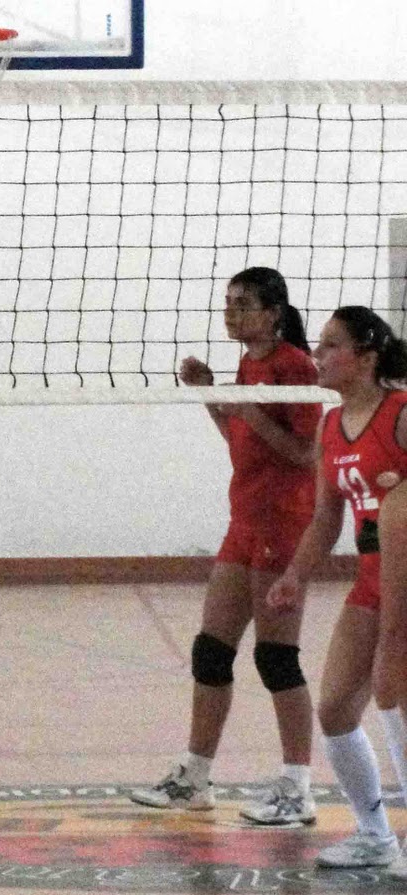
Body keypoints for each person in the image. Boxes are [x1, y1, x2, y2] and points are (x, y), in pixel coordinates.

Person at [130, 267, 321, 823]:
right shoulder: (249, 364)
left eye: (243, 304)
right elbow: (241, 440)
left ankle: (297, 787)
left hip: (283, 524)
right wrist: (212, 396)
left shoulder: (296, 366)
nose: (231, 313)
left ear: (273, 312)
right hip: (245, 521)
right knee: (211, 651)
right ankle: (195, 777)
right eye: (228, 303)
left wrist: (249, 410)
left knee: (276, 658)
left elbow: (305, 454)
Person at [268, 306, 407, 869]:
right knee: (335, 709)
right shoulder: (331, 426)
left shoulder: (400, 413)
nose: (317, 356)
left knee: (394, 692)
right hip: (373, 578)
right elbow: (327, 517)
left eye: (331, 346)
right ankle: (374, 835)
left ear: (366, 357)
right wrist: (295, 575)